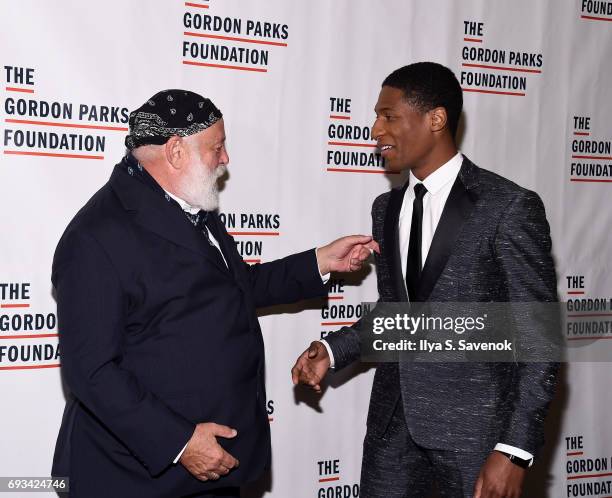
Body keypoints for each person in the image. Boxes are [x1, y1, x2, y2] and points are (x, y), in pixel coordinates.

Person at [51, 89, 378, 498]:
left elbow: (234, 287)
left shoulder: (188, 206)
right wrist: (181, 443)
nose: (225, 160)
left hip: (210, 466)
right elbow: (92, 371)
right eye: (217, 147)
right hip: (139, 476)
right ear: (175, 152)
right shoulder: (96, 237)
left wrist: (320, 261)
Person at [292, 63, 559, 498]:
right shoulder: (386, 208)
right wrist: (333, 351)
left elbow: (539, 337)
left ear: (435, 119)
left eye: (389, 116)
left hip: (475, 434)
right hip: (392, 429)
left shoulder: (507, 206)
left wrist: (513, 450)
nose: (375, 130)